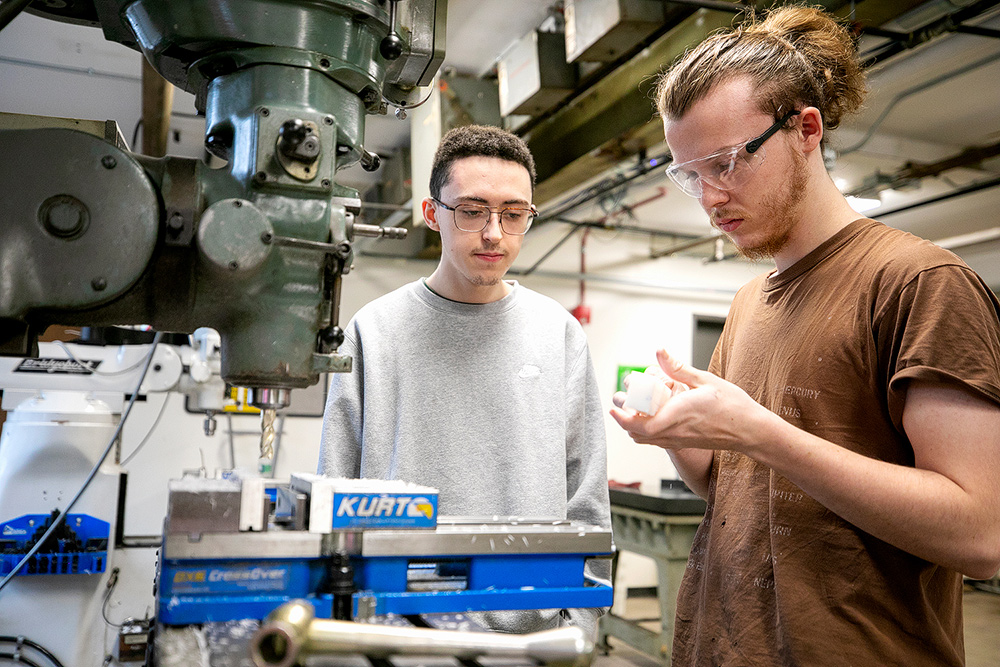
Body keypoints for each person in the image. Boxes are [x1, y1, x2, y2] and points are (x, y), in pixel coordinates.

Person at [610, 6, 1000, 666]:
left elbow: (981, 531)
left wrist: (761, 431)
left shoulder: (918, 281)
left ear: (805, 130)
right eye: (689, 174)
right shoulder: (747, 301)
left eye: (727, 162)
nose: (709, 198)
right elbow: (738, 491)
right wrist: (680, 436)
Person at [320, 124, 611, 635]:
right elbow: (334, 484)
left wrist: (582, 623)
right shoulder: (375, 330)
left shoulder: (558, 334)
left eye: (514, 214)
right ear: (433, 214)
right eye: (473, 211)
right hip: (396, 632)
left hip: (533, 636)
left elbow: (585, 491)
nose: (495, 233)